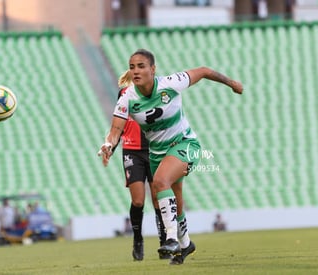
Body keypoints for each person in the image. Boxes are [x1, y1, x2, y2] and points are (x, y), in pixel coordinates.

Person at [98, 49, 243, 265]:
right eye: (132, 67)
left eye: (141, 66)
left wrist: (232, 83)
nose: (136, 71)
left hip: (185, 144)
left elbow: (203, 71)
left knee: (160, 182)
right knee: (175, 201)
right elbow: (116, 129)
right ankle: (186, 245)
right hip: (158, 153)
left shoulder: (171, 83)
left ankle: (171, 239)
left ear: (152, 69)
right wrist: (108, 144)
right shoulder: (127, 98)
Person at [104, 75, 168, 261]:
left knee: (157, 200)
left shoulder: (158, 92)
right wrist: (111, 148)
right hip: (132, 151)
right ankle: (138, 239)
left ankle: (164, 241)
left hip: (155, 149)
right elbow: (119, 124)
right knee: (138, 200)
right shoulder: (124, 94)